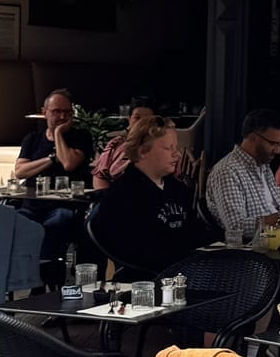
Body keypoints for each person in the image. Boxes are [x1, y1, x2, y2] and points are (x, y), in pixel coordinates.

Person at [90, 118, 206, 271]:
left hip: (185, 270)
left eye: (176, 148)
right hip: (145, 280)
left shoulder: (179, 190)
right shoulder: (121, 195)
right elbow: (133, 251)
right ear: (142, 151)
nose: (177, 155)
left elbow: (194, 233)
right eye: (167, 148)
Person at [13, 88, 94, 263]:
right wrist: (51, 159)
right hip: (32, 206)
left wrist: (58, 133)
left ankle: (43, 271)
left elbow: (69, 163)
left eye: (67, 112)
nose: (62, 117)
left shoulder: (81, 137)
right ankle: (29, 272)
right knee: (14, 222)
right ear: (44, 112)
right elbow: (20, 171)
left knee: (58, 221)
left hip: (64, 206)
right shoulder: (32, 139)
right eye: (56, 112)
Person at [205, 109, 280, 243]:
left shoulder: (264, 166)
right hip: (250, 251)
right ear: (252, 137)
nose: (278, 151)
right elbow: (236, 228)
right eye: (273, 144)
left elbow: (279, 208)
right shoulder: (227, 171)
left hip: (276, 240)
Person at [92, 99, 155, 189]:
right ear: (129, 119)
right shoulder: (115, 143)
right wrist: (108, 199)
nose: (141, 123)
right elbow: (100, 176)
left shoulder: (162, 147)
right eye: (137, 118)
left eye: (147, 119)